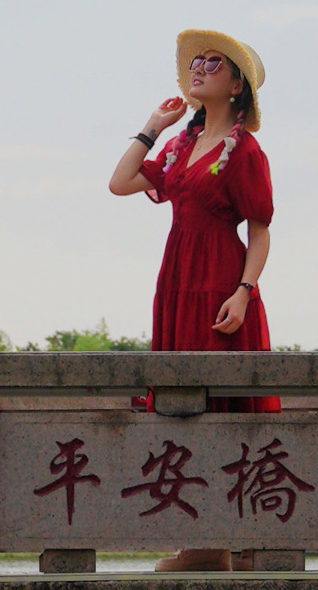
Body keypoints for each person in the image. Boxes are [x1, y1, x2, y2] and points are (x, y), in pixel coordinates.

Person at [109, 30, 273, 351]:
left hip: (220, 278)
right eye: (197, 62)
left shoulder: (245, 152)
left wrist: (243, 293)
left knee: (218, 382)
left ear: (236, 86)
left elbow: (260, 231)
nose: (198, 69)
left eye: (214, 64)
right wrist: (153, 126)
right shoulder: (180, 146)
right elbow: (120, 183)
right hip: (176, 275)